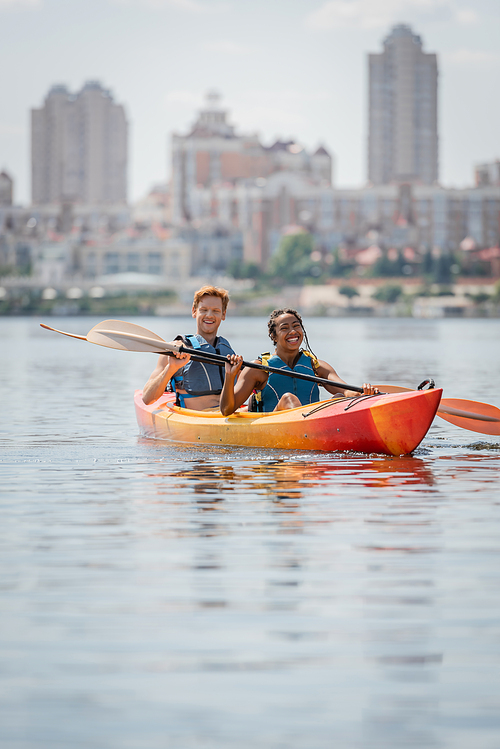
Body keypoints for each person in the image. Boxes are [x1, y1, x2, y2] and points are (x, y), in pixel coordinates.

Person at [220, 307, 379, 416]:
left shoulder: (316, 366)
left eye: (296, 326)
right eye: (285, 328)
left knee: (339, 397)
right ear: (274, 336)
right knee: (288, 399)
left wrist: (363, 393)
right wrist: (229, 375)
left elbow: (347, 391)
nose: (293, 332)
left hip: (312, 426)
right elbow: (226, 409)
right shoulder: (258, 369)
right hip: (275, 428)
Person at [142, 285, 234, 410]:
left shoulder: (228, 352)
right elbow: (147, 399)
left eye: (216, 311)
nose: (209, 315)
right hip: (194, 418)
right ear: (194, 311)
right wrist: (171, 368)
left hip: (226, 415)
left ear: (223, 314)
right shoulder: (174, 350)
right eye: (204, 310)